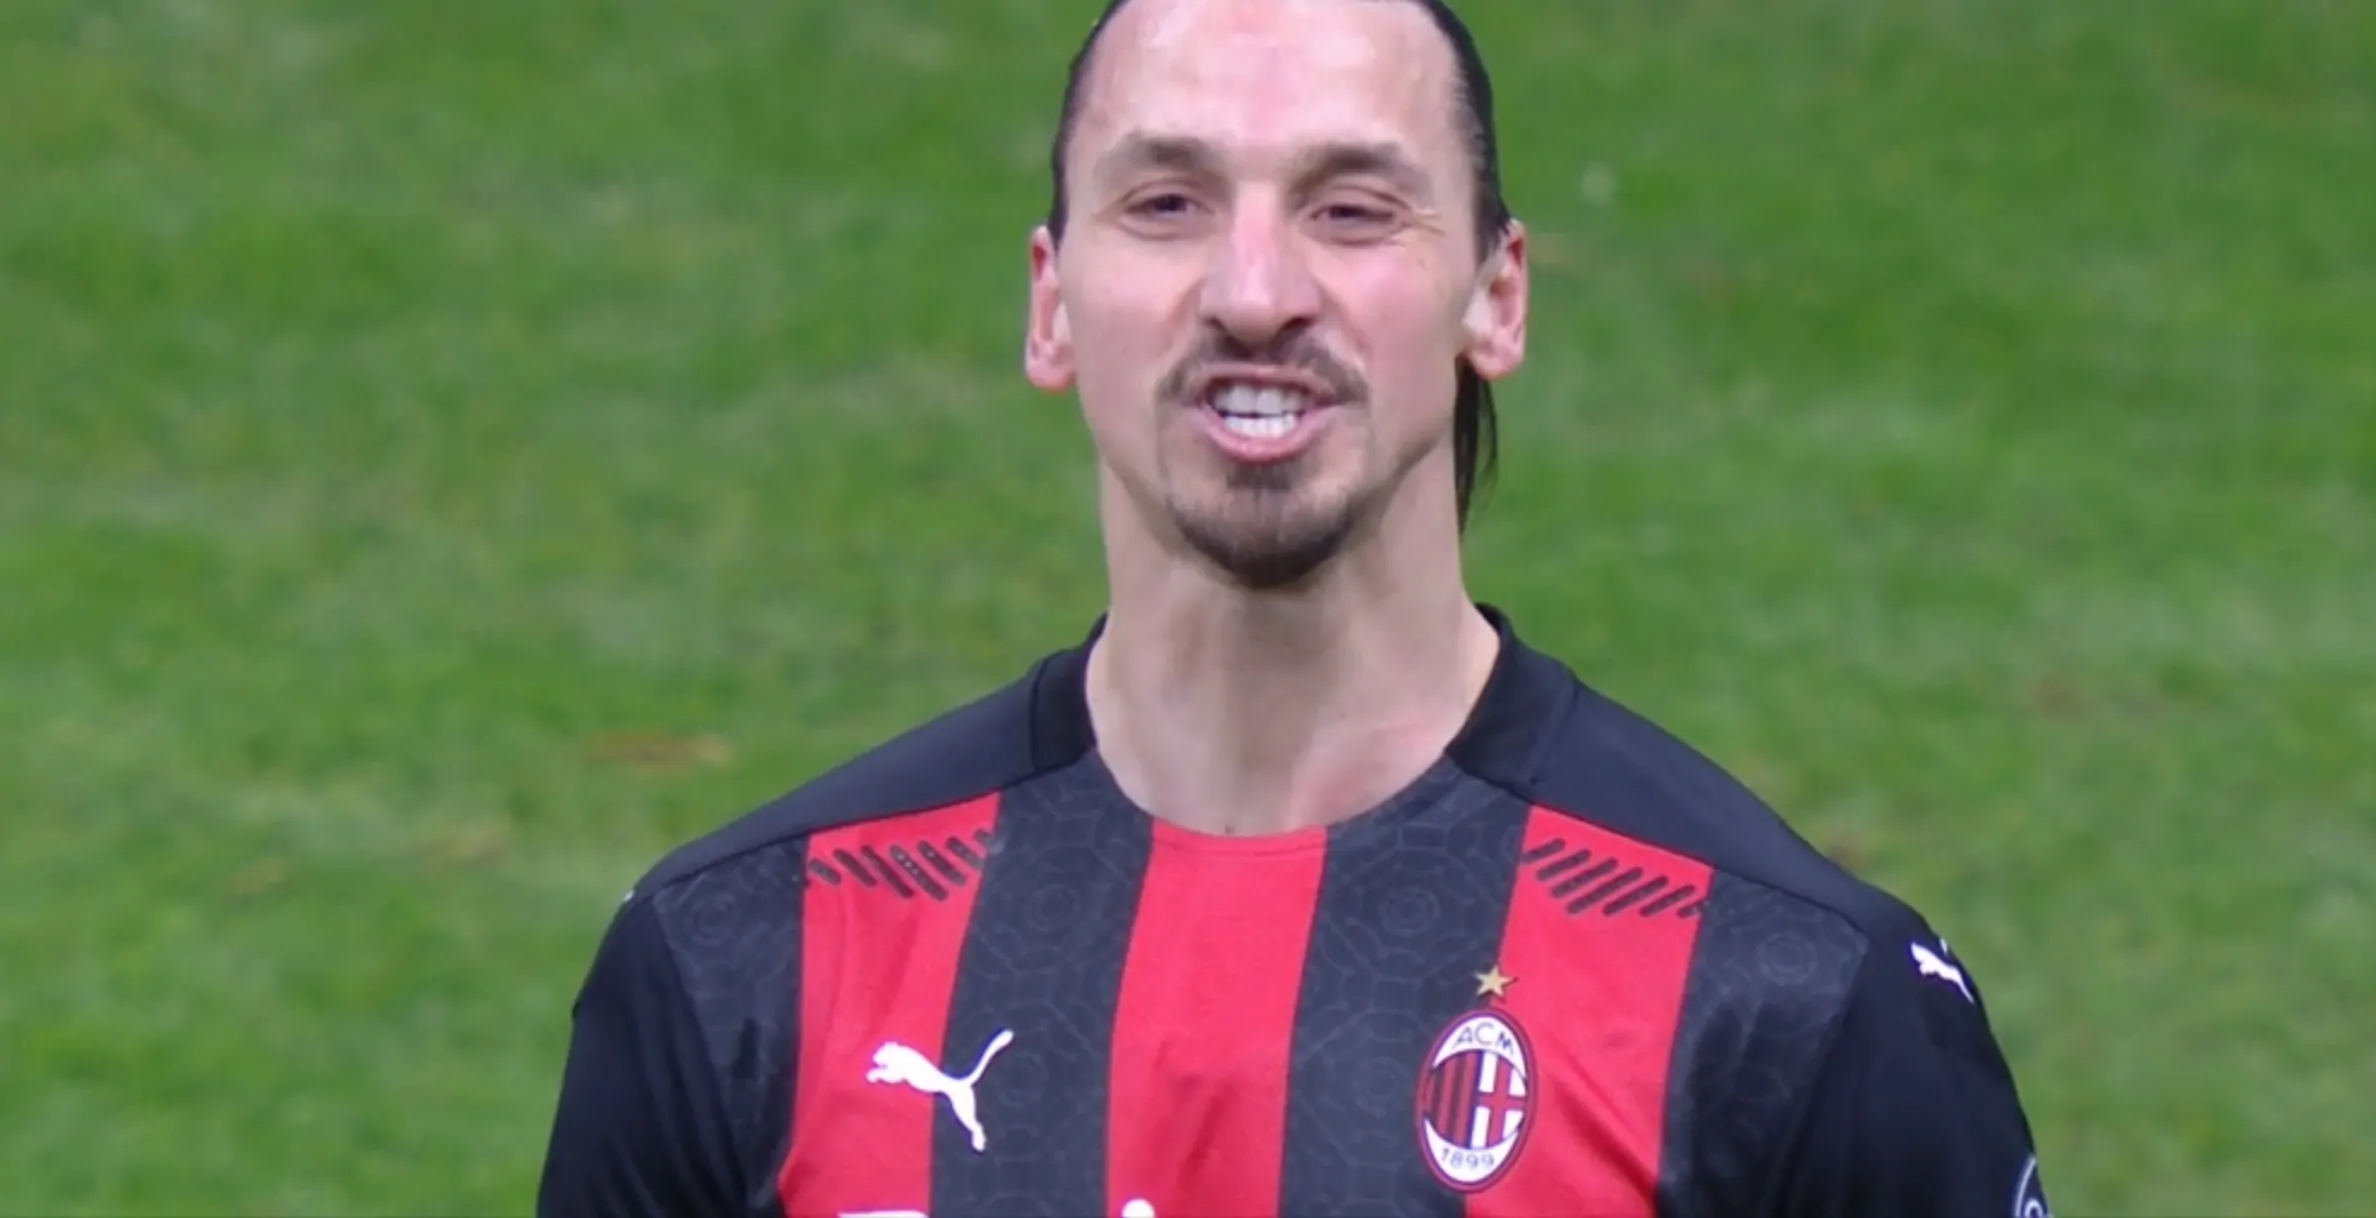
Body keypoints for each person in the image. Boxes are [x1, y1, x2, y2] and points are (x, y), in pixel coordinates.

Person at [537, 0, 2052, 1214]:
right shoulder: (744, 967)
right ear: (1051, 301)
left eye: (1352, 208)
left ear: (1497, 294)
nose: (1254, 291)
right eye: (1168, 202)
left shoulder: (1786, 1001)